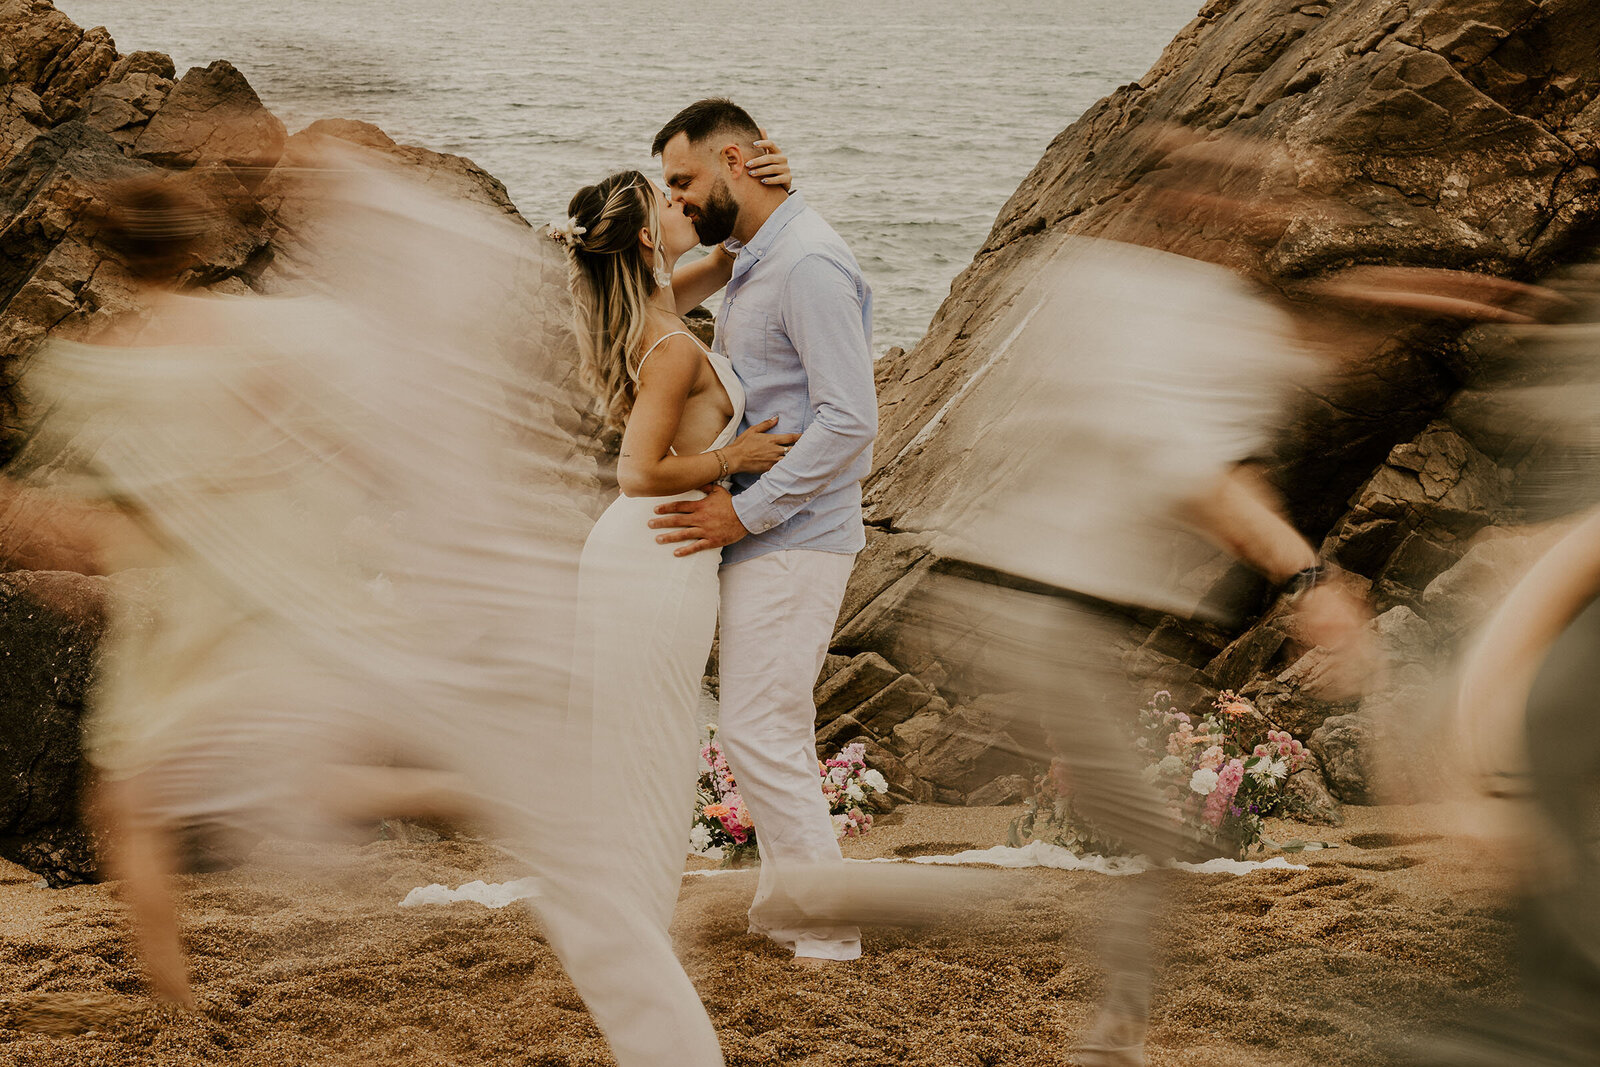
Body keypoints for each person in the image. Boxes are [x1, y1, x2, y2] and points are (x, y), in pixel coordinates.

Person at [644, 98, 878, 965]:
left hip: (795, 533)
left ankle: (826, 928)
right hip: (769, 532)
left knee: (760, 730)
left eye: (684, 181)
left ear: (735, 160)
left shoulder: (808, 263)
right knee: (766, 723)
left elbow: (851, 420)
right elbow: (657, 291)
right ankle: (792, 908)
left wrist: (742, 509)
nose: (677, 198)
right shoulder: (756, 256)